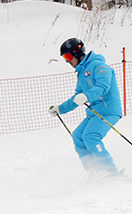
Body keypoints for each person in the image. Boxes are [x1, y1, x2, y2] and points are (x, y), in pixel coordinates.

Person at [48, 38, 123, 175]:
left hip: (109, 111)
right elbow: (77, 97)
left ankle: (110, 172)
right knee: (78, 136)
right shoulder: (82, 73)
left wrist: (87, 96)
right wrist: (60, 108)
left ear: (77, 52)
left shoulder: (99, 66)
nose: (68, 61)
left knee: (90, 136)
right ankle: (94, 171)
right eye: (65, 58)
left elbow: (103, 87)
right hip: (95, 113)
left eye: (68, 56)